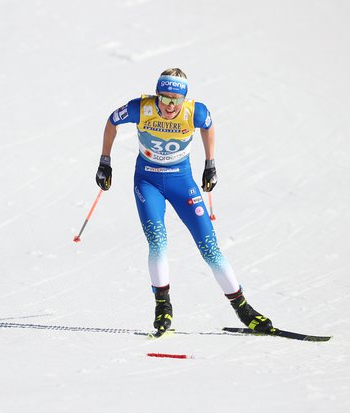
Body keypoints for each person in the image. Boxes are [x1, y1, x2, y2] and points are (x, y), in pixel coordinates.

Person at [96, 68, 272, 336]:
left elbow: (209, 127)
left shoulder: (196, 112)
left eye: (175, 100)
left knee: (210, 247)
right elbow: (112, 121)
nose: (168, 105)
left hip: (182, 183)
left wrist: (210, 163)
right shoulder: (140, 108)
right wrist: (105, 161)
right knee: (157, 240)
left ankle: (244, 309)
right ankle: (162, 306)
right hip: (148, 181)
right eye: (163, 98)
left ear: (184, 99)